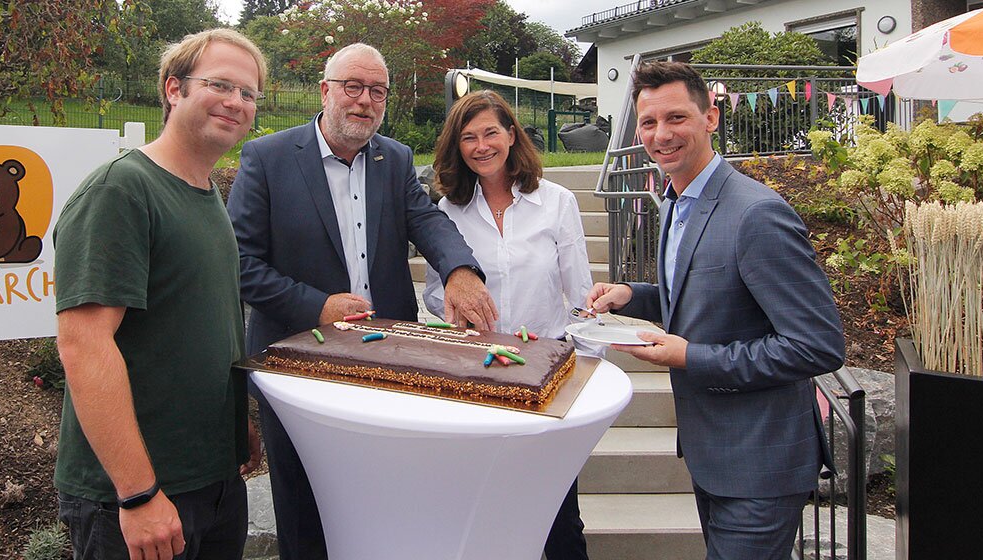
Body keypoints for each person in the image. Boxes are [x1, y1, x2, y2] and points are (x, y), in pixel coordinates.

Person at [227, 43, 498, 559]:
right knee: (303, 504)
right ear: (325, 90)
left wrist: (460, 270)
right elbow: (242, 265)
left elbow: (427, 220)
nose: (365, 101)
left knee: (381, 494)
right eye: (353, 87)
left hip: (384, 359)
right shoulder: (267, 158)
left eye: (377, 91)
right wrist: (318, 307)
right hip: (296, 362)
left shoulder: (393, 158)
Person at [584, 61, 845, 559]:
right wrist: (634, 296)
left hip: (760, 464)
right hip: (715, 457)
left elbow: (817, 346)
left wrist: (691, 357)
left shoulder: (756, 214)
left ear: (712, 118)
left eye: (677, 118)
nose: (661, 135)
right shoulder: (677, 199)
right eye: (648, 123)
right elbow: (709, 291)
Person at [52, 29, 267, 560]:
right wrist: (137, 493)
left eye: (249, 93)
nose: (237, 102)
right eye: (221, 84)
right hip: (140, 497)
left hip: (212, 481)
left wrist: (234, 422)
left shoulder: (206, 193)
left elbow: (199, 325)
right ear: (174, 89)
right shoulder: (121, 191)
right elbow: (84, 345)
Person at [422, 89, 596, 560]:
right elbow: (435, 295)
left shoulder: (556, 201)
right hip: (480, 372)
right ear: (456, 147)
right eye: (469, 137)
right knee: (484, 504)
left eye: (491, 133)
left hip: (546, 371)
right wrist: (467, 320)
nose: (482, 146)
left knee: (559, 512)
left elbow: (582, 296)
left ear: (512, 134)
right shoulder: (448, 212)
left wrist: (586, 375)